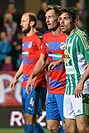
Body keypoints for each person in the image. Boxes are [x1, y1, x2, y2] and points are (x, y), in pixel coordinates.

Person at [26, 5, 67, 133]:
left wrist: (60, 61)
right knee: (52, 126)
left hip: (66, 89)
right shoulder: (46, 37)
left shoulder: (68, 37)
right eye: (46, 17)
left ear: (59, 19)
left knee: (69, 126)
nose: (47, 20)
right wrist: (32, 77)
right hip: (52, 88)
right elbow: (42, 60)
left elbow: (72, 58)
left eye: (50, 17)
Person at [57, 7, 89, 133]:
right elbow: (73, 58)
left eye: (66, 19)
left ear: (75, 20)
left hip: (81, 87)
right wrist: (59, 61)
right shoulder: (68, 38)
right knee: (69, 128)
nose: (61, 22)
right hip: (69, 87)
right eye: (60, 19)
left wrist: (81, 82)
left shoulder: (80, 36)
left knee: (83, 128)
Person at [10, 12, 47, 133]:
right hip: (25, 82)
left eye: (24, 21)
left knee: (30, 118)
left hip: (36, 84)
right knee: (28, 117)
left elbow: (45, 58)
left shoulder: (38, 37)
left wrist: (35, 77)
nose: (21, 24)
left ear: (32, 23)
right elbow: (24, 61)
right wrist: (16, 77)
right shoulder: (25, 39)